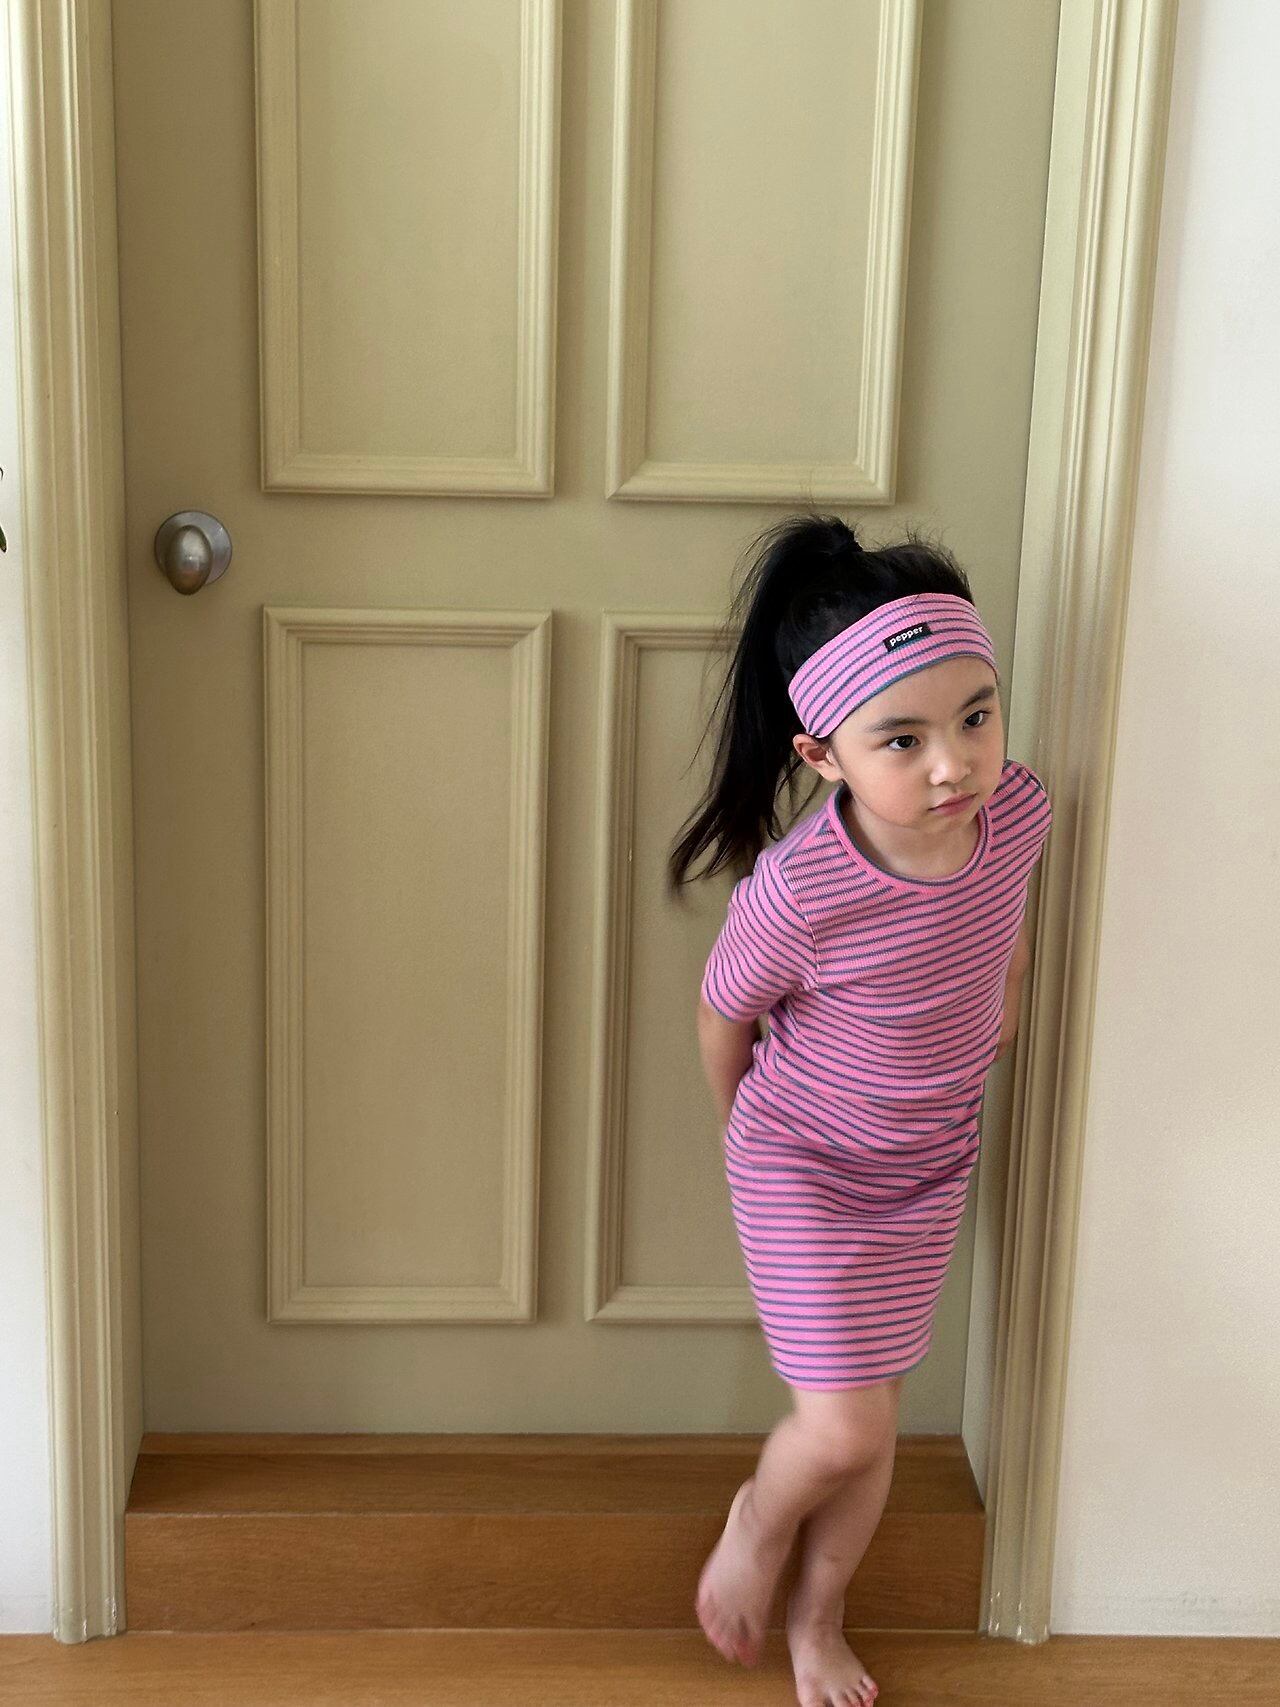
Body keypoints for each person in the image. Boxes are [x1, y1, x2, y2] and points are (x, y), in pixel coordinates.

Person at [668, 513, 1052, 1707]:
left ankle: (816, 1619)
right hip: (798, 1161)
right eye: (903, 738)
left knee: (871, 1426)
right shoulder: (800, 889)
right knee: (836, 1432)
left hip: (924, 1166)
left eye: (975, 717)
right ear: (822, 753)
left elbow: (1007, 913)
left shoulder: (1016, 814)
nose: (953, 764)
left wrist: (1004, 992)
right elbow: (721, 1014)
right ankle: (754, 1523)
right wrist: (740, 1130)